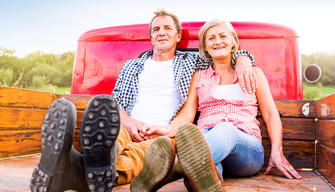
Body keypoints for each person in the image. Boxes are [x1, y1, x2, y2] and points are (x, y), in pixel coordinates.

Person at [30, 10, 257, 192]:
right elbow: (115, 103)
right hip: (128, 125)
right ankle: (95, 163)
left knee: (144, 156)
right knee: (114, 138)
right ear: (150, 37)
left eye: (168, 28)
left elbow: (220, 51)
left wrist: (243, 58)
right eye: (156, 29)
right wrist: (129, 123)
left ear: (178, 36)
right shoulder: (132, 65)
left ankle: (70, 168)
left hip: (164, 133)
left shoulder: (192, 61)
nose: (162, 32)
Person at [131, 19, 301, 192]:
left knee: (225, 129)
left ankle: (173, 169)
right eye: (211, 38)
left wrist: (277, 152)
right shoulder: (199, 76)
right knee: (207, 172)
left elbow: (271, 114)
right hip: (210, 145)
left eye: (222, 36)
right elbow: (187, 114)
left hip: (246, 150)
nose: (218, 41)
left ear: (233, 40)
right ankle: (205, 181)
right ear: (205, 47)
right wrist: (168, 130)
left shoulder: (253, 73)